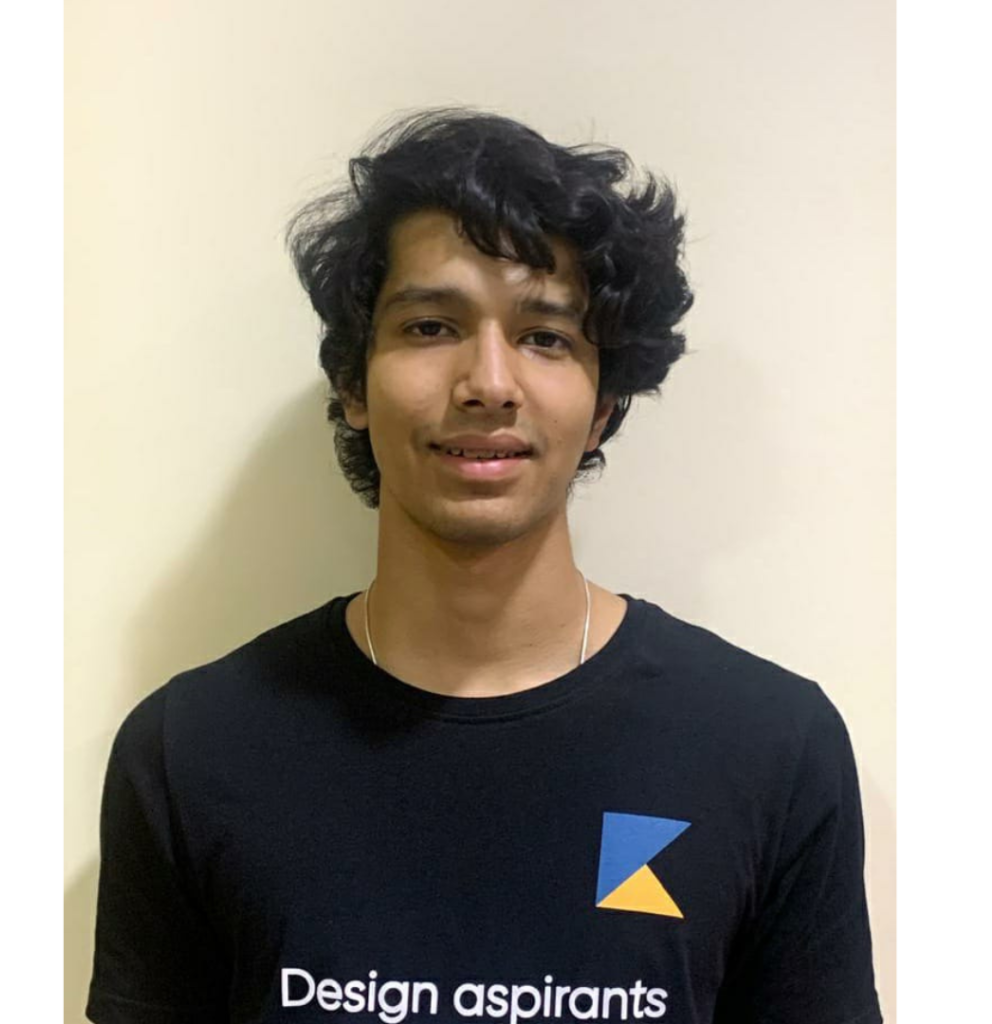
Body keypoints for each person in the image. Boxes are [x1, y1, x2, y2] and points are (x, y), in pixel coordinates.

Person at [86, 107, 883, 1024]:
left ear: (604, 404)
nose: (489, 384)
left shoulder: (770, 746)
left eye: (546, 336)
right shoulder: (192, 749)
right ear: (352, 382)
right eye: (431, 326)